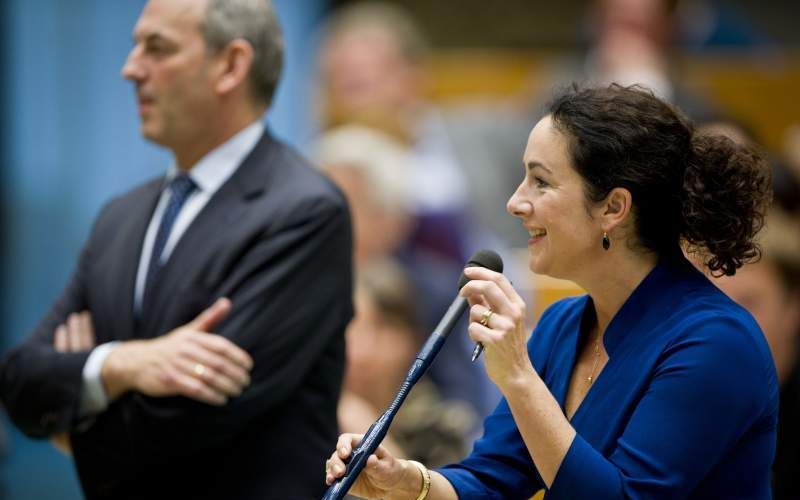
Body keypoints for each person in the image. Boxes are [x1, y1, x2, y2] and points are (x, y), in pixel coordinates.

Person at [325, 83, 777, 499]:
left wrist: (519, 377)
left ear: (614, 208)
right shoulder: (564, 325)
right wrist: (408, 481)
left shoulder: (716, 342)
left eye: (540, 181)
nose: (515, 202)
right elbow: (492, 479)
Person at [0, 0, 352, 498]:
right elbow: (19, 381)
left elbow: (190, 421)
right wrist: (121, 364)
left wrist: (74, 403)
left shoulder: (305, 211)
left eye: (157, 49)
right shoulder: (121, 216)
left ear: (231, 66)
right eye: (134, 47)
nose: (130, 69)